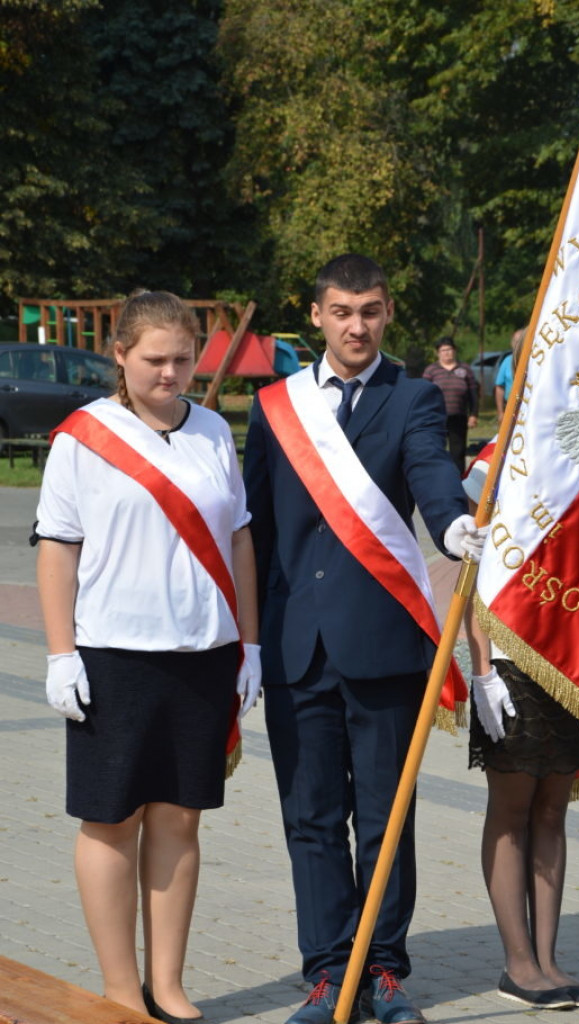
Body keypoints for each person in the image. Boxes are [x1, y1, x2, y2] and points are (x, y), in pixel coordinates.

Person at [244, 254, 486, 1024]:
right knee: (310, 818)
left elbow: (429, 469)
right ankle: (325, 973)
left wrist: (451, 523)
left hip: (383, 645)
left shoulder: (412, 397)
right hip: (294, 647)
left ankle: (382, 971)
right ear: (315, 315)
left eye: (371, 311)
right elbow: (255, 526)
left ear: (388, 314)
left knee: (386, 817)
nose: (357, 325)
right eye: (343, 311)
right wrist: (246, 642)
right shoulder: (274, 406)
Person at [34, 290, 260, 1022]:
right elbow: (58, 551)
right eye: (155, 360)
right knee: (110, 819)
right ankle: (120, 989)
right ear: (120, 357)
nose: (170, 374)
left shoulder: (214, 434)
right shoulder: (81, 437)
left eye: (183, 360)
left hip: (202, 654)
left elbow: (239, 541)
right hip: (113, 656)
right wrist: (61, 653)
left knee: (180, 819)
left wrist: (250, 643)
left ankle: (168, 984)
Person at [462, 442, 579, 1012]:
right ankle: (517, 961)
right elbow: (477, 568)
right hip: (510, 654)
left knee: (553, 808)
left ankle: (547, 958)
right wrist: (480, 670)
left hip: (575, 656)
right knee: (513, 807)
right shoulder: (499, 458)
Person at [422, 336, 478, 473]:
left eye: (449, 349)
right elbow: (423, 394)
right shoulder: (431, 370)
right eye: (443, 350)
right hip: (436, 417)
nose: (447, 353)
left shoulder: (465, 369)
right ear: (438, 353)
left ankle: (459, 482)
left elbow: (473, 393)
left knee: (457, 452)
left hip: (458, 416)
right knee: (435, 450)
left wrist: (474, 414)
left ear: (455, 350)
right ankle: (437, 479)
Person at [493, 327, 527, 424]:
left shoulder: (535, 359)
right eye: (516, 341)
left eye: (521, 341)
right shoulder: (507, 361)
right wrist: (500, 412)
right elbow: (499, 387)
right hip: (511, 406)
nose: (518, 344)